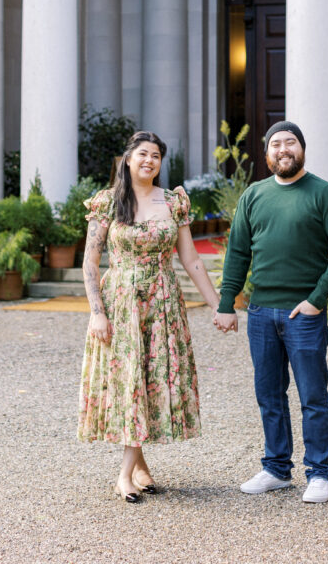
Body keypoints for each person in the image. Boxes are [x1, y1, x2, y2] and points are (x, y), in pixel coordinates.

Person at [214, 121, 328, 504]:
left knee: (313, 395)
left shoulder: (323, 194)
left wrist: (317, 299)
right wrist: (227, 303)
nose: (282, 149)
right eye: (275, 144)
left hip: (303, 315)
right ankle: (276, 469)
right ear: (267, 154)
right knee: (269, 395)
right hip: (260, 312)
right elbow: (238, 253)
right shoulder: (254, 196)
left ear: (302, 149)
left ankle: (320, 473)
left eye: (289, 142)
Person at [77, 130, 221, 502]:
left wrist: (219, 304)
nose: (149, 161)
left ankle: (138, 466)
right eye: (142, 154)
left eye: (156, 156)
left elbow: (190, 260)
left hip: (162, 303)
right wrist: (97, 312)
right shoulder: (108, 202)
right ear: (128, 159)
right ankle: (125, 474)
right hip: (120, 302)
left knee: (150, 379)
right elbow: (90, 262)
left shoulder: (173, 203)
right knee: (128, 380)